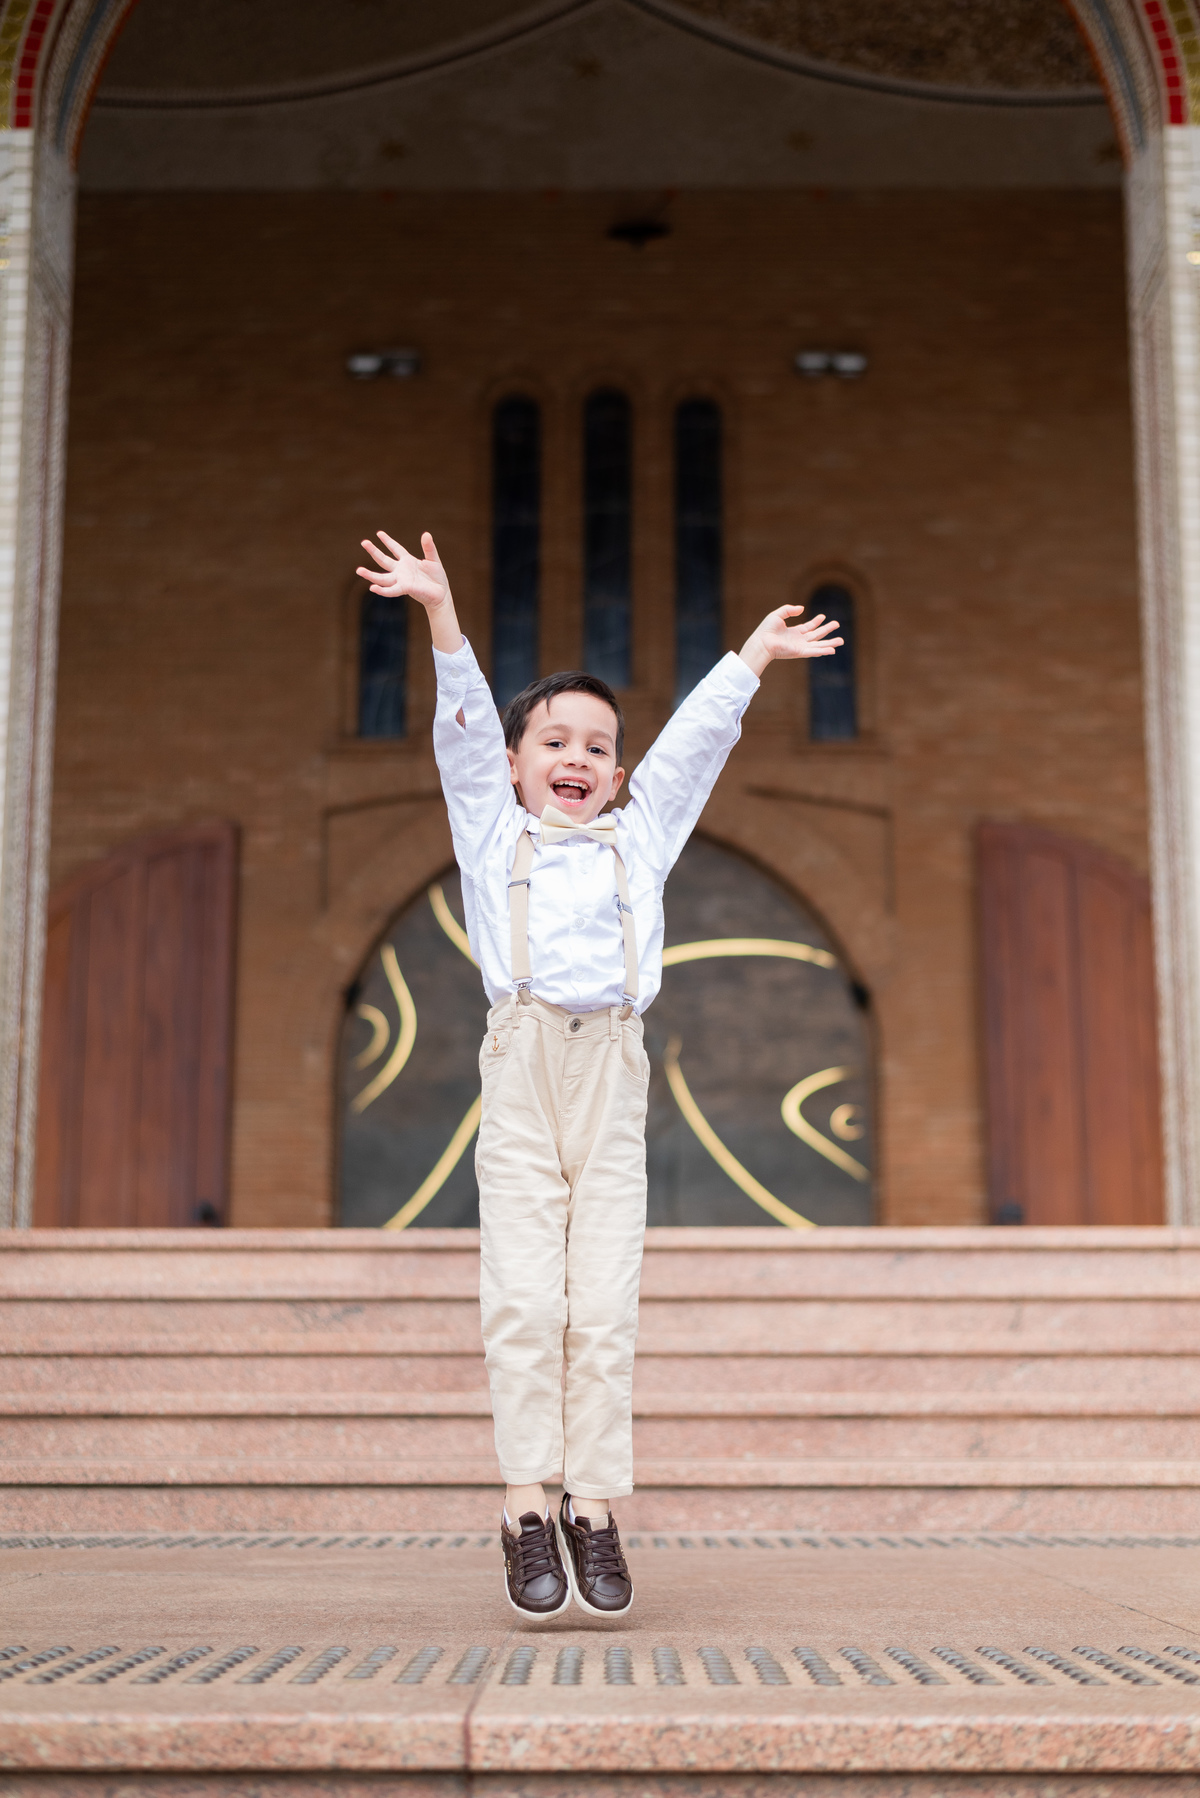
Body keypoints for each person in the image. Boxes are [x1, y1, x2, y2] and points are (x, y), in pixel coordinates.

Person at [356, 528, 841, 1621]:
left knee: (604, 1301)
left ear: (617, 774)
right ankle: (525, 1502)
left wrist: (751, 659)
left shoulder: (642, 835)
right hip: (524, 1063)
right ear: (522, 764)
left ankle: (593, 1503)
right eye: (555, 741)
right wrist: (442, 620)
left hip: (613, 1069)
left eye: (596, 746)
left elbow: (694, 751)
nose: (576, 758)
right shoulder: (492, 831)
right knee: (526, 1295)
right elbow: (464, 732)